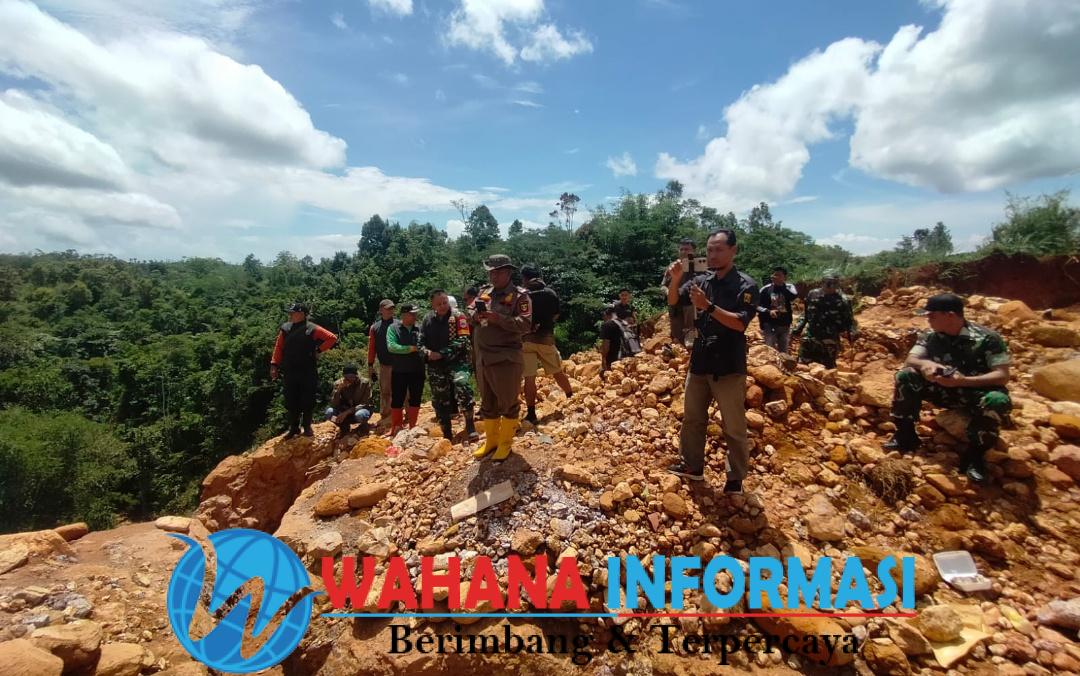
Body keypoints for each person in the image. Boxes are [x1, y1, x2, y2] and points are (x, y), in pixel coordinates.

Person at [664, 230, 757, 493]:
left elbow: (740, 323)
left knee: (733, 425)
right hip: (700, 361)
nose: (713, 255)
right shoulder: (701, 281)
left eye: (718, 249)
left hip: (728, 365)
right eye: (709, 250)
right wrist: (676, 279)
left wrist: (708, 307)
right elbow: (673, 302)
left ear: (733, 251)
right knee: (693, 418)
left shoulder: (746, 285)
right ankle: (692, 466)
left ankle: (735, 478)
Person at [884, 293, 1011, 483]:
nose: (928, 319)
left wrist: (963, 380)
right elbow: (911, 359)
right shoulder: (930, 336)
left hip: (973, 391)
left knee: (997, 400)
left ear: (950, 315)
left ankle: (975, 456)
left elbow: (1002, 375)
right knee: (906, 375)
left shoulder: (988, 338)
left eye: (932, 315)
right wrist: (927, 365)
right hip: (942, 389)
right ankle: (905, 434)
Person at [470, 254, 532, 462]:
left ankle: (505, 444)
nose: (493, 276)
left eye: (497, 272)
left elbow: (525, 324)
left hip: (505, 358)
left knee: (508, 403)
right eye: (491, 272)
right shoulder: (484, 292)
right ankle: (491, 441)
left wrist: (499, 319)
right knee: (487, 403)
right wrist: (476, 316)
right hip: (483, 357)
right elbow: (470, 313)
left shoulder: (520, 296)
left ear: (507, 272)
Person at [270, 302, 337, 439]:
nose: (290, 315)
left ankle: (307, 427)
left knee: (308, 398)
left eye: (293, 312)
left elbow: (331, 338)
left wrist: (318, 350)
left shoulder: (312, 328)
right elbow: (279, 347)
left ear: (302, 314)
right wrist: (274, 365)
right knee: (291, 399)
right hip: (290, 370)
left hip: (307, 369)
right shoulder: (285, 328)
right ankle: (294, 428)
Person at [419, 289, 478, 442]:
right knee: (440, 398)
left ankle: (470, 426)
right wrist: (427, 352)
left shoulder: (458, 316)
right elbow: (420, 342)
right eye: (439, 304)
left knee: (462, 385)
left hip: (457, 361)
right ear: (433, 305)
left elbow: (463, 340)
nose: (443, 306)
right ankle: (447, 433)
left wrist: (442, 353)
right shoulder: (427, 319)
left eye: (445, 302)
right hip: (436, 365)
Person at [520, 264, 573, 425]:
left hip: (526, 340)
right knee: (557, 371)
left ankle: (531, 414)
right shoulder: (550, 293)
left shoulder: (522, 295)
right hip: (545, 338)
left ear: (524, 278)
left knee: (529, 377)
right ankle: (571, 398)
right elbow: (556, 315)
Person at [792, 270, 858, 368]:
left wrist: (852, 335)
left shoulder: (843, 300)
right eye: (827, 282)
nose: (829, 285)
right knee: (803, 366)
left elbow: (849, 320)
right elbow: (806, 314)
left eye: (833, 283)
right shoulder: (812, 294)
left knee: (828, 368)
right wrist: (797, 329)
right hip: (810, 336)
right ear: (822, 282)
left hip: (830, 340)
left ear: (837, 284)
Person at [385, 303, 425, 437]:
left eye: (415, 313)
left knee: (416, 398)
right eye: (412, 314)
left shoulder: (420, 328)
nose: (415, 316)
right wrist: (411, 349)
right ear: (404, 315)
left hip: (418, 369)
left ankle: (413, 426)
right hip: (399, 370)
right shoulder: (393, 328)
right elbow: (391, 346)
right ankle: (396, 427)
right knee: (397, 399)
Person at [661, 239, 699, 345]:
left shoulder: (699, 265)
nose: (683, 252)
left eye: (687, 249)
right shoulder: (673, 267)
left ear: (694, 251)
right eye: (681, 249)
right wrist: (669, 292)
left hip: (693, 302)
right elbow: (663, 286)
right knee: (677, 337)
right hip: (676, 303)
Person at [757, 266, 799, 353]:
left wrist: (782, 286)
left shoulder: (789, 287)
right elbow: (756, 306)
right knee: (770, 351)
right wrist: (768, 311)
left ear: (785, 277)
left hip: (784, 324)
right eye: (774, 274)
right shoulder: (765, 289)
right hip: (769, 324)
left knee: (783, 351)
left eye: (778, 275)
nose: (775, 277)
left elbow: (794, 296)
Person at [367, 299, 396, 423]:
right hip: (384, 365)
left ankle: (406, 415)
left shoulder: (399, 324)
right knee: (385, 391)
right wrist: (370, 365)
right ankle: (385, 415)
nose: (390, 310)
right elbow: (372, 347)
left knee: (404, 391)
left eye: (391, 308)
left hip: (400, 364)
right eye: (387, 308)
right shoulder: (375, 327)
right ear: (381, 310)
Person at [325, 365, 373, 438]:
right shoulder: (338, 383)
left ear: (356, 375)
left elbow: (365, 403)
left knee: (360, 415)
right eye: (347, 377)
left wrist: (347, 412)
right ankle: (344, 427)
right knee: (329, 413)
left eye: (352, 377)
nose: (350, 379)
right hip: (344, 412)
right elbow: (334, 404)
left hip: (360, 410)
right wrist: (338, 390)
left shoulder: (364, 383)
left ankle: (363, 427)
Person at [598, 306, 624, 374]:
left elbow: (606, 344)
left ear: (606, 314)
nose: (603, 318)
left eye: (603, 315)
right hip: (626, 355)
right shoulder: (623, 323)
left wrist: (603, 358)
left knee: (610, 376)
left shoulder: (607, 325)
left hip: (613, 358)